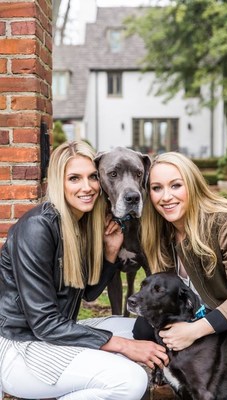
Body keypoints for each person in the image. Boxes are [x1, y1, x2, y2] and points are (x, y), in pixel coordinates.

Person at [0, 141, 168, 400]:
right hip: (20, 348)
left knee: (140, 329)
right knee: (130, 380)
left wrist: (110, 253)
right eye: (74, 178)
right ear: (58, 182)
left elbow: (88, 294)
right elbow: (44, 323)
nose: (87, 187)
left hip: (57, 333)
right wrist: (124, 347)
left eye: (92, 177)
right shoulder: (37, 228)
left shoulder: (79, 224)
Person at [133, 151, 227, 400]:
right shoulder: (161, 233)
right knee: (143, 325)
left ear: (192, 185)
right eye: (156, 188)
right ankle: (168, 386)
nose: (166, 196)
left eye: (176, 185)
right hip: (194, 314)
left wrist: (194, 330)